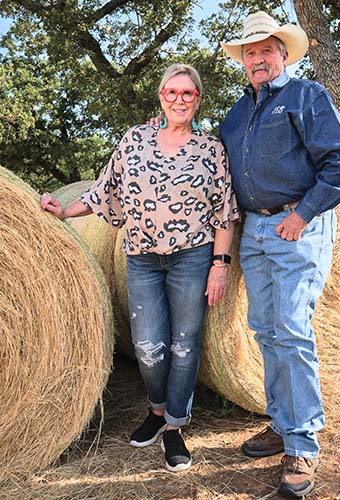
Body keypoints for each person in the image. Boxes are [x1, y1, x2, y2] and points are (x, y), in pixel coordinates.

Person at [40, 63, 239, 473]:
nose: (179, 99)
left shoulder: (211, 149)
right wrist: (64, 211)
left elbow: (225, 213)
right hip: (142, 257)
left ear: (198, 100)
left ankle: (174, 428)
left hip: (192, 257)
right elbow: (103, 189)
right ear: (161, 97)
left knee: (185, 345)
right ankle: (156, 408)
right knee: (149, 347)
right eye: (172, 93)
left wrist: (220, 266)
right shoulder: (135, 139)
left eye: (188, 93)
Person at [219, 11, 340, 499]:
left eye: (266, 50)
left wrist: (303, 214)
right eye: (250, 53)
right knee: (265, 330)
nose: (258, 59)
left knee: (292, 329)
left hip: (295, 227)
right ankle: (281, 422)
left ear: (284, 54)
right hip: (254, 232)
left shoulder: (307, 97)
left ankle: (302, 443)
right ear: (243, 62)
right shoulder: (236, 115)